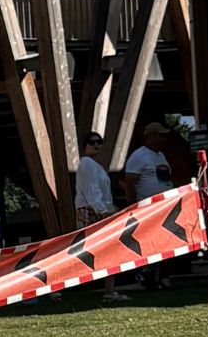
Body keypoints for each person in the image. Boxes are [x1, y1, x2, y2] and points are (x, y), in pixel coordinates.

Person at [125, 123, 177, 290]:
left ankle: (159, 276)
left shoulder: (161, 155)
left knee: (164, 242)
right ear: (151, 135)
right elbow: (130, 182)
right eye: (161, 135)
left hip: (164, 207)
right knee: (151, 242)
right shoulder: (139, 156)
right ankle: (147, 274)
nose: (164, 139)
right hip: (148, 209)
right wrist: (133, 206)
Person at [74, 136, 119, 298]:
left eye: (99, 142)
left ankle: (110, 289)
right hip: (93, 211)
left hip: (99, 209)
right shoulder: (86, 163)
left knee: (106, 250)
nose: (96, 145)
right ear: (84, 146)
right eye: (92, 142)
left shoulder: (97, 166)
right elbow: (91, 189)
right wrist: (102, 211)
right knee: (93, 251)